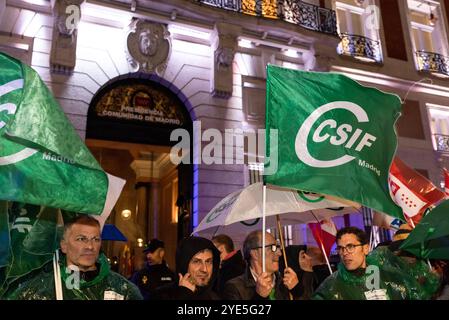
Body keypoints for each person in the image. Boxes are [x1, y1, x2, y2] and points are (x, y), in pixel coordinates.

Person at [9, 215, 143, 300]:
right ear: (64, 245)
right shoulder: (39, 289)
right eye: (81, 239)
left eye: (95, 239)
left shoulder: (122, 290)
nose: (90, 246)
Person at [312, 226, 438, 300]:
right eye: (341, 248)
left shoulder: (388, 276)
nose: (345, 252)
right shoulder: (330, 287)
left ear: (365, 248)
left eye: (350, 246)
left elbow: (416, 294)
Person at [223, 230, 309, 300]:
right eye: (273, 248)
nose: (279, 253)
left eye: (278, 247)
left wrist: (297, 291)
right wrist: (259, 297)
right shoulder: (235, 287)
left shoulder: (285, 282)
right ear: (255, 254)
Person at [154, 236, 221, 300]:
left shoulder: (214, 297)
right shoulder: (161, 295)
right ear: (184, 264)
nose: (204, 269)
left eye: (208, 261)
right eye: (196, 262)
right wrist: (184, 294)